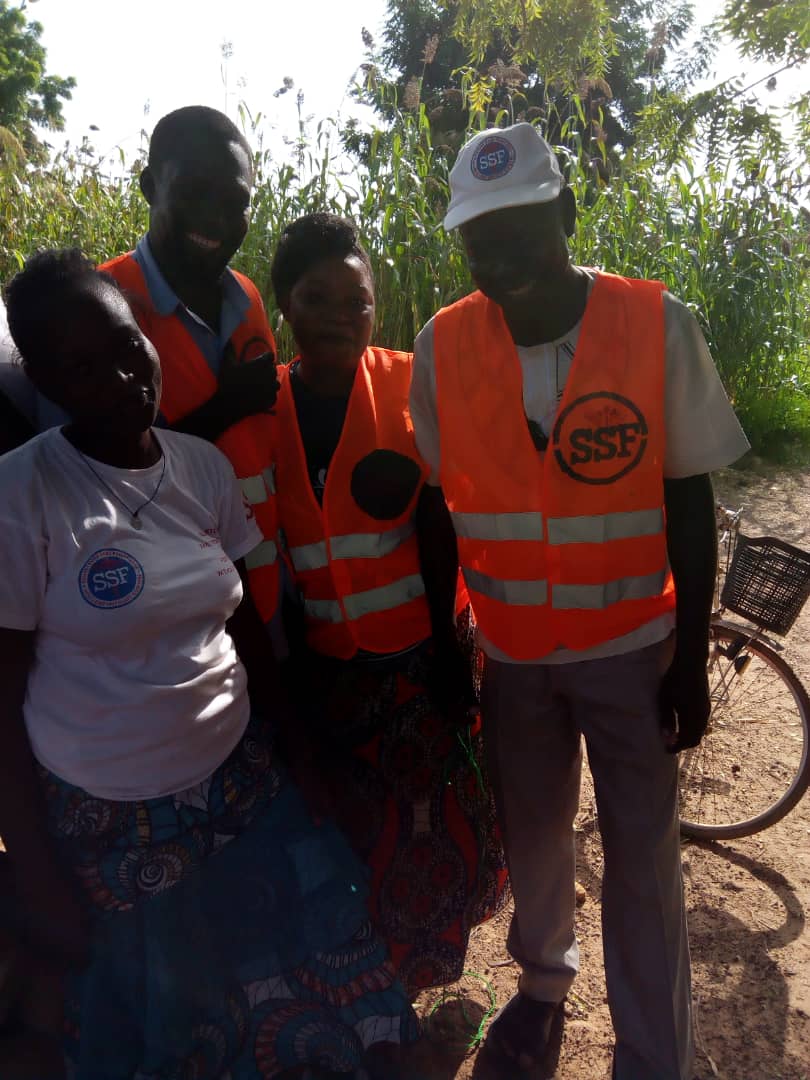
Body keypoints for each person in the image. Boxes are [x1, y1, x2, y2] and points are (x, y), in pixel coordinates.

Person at [0, 248, 418, 1079]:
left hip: (240, 784)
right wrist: (34, 861)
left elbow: (250, 631)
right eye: (81, 368)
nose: (122, 380)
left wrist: (299, 752)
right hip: (115, 818)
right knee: (172, 1024)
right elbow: (1, 695)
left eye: (127, 347)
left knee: (318, 985)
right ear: (45, 379)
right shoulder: (22, 494)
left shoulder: (201, 467)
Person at [409, 123, 751, 1079]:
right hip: (513, 655)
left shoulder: (654, 322)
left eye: (521, 227)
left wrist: (688, 656)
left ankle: (655, 1056)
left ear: (566, 211)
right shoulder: (445, 342)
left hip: (633, 649)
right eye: (480, 240)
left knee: (644, 865)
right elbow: (438, 508)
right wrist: (447, 639)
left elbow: (689, 498)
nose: (501, 257)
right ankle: (543, 987)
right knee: (535, 837)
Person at [268, 213, 509, 997]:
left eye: (358, 301)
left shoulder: (411, 383)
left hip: (422, 656)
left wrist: (448, 650)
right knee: (355, 835)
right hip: (327, 669)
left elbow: (442, 519)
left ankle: (421, 986)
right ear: (285, 307)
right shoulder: (261, 412)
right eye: (318, 297)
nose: (342, 314)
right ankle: (367, 992)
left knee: (435, 823)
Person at [0, 106, 281, 633]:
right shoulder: (97, 312)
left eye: (236, 202)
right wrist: (225, 407)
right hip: (160, 619)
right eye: (196, 192)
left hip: (263, 594)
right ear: (151, 186)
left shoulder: (244, 295)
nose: (217, 218)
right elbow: (79, 479)